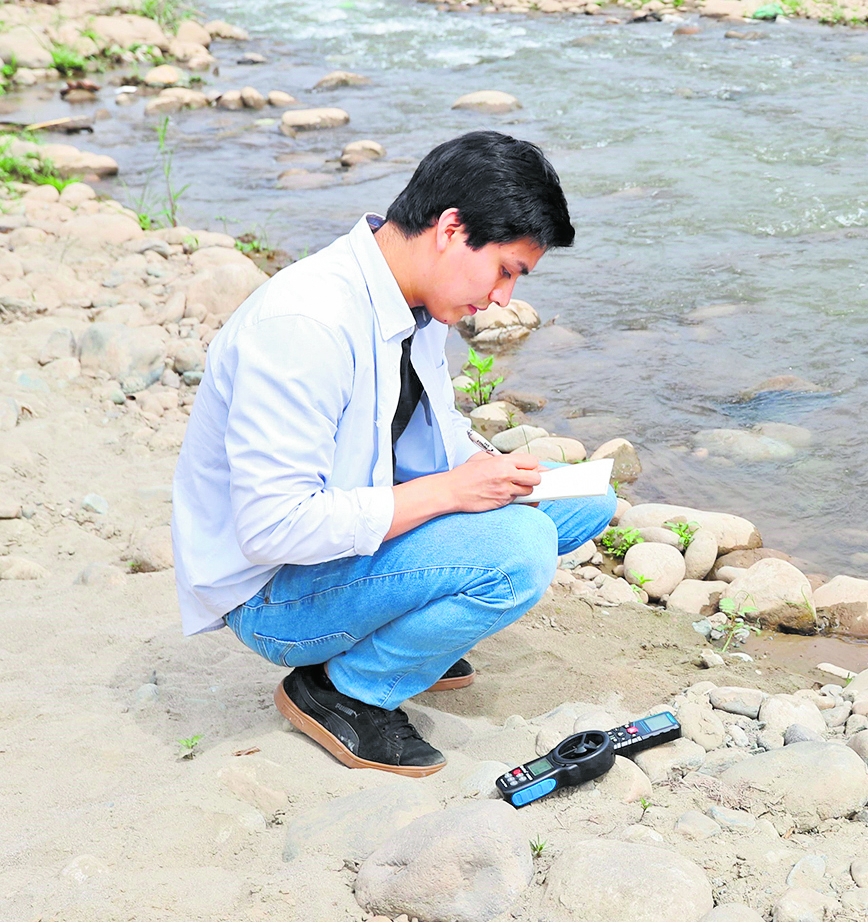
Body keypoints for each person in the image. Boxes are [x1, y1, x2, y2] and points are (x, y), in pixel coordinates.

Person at [170, 130, 607, 777]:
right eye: (506, 270)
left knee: (586, 497)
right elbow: (272, 528)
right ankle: (344, 689)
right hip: (272, 592)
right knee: (521, 550)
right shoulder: (306, 324)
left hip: (348, 543)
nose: (504, 298)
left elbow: (433, 440)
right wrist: (456, 493)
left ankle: (405, 629)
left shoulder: (413, 303)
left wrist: (491, 473)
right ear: (451, 229)